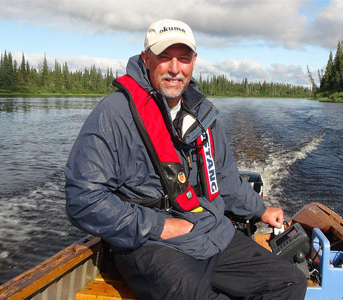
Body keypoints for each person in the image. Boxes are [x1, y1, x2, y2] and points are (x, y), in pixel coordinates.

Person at [65, 19, 306, 300]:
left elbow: (225, 179)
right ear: (146, 59)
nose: (175, 69)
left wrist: (261, 210)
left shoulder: (203, 116)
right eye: (164, 57)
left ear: (194, 60)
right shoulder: (114, 115)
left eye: (183, 58)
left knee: (289, 282)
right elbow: (84, 200)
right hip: (152, 242)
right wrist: (159, 225)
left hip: (209, 230)